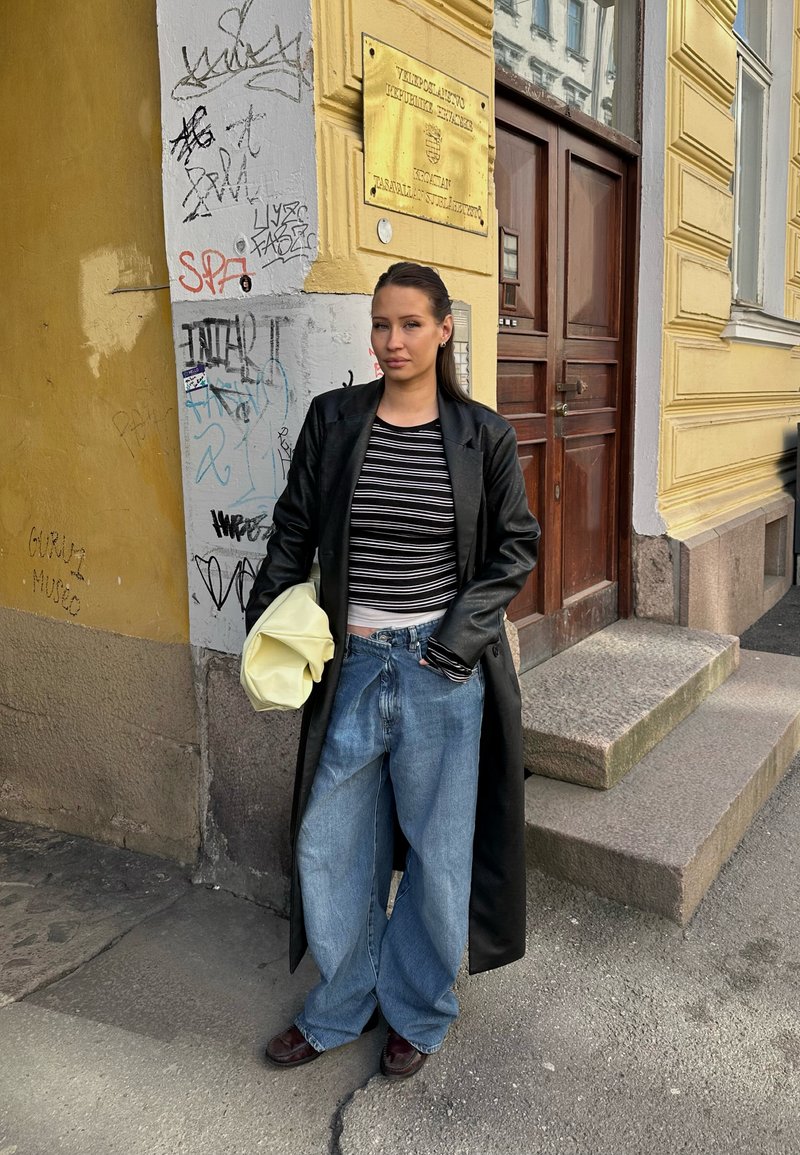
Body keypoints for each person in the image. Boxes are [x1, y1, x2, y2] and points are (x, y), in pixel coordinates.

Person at [245, 261, 540, 1080]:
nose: (392, 341)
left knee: (439, 855)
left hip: (440, 673)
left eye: (411, 324)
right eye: (381, 324)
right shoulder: (335, 420)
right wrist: (262, 630)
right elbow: (294, 528)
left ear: (444, 329)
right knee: (331, 843)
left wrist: (458, 638)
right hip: (353, 665)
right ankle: (342, 1003)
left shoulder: (483, 434)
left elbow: (515, 546)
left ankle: (417, 1009)